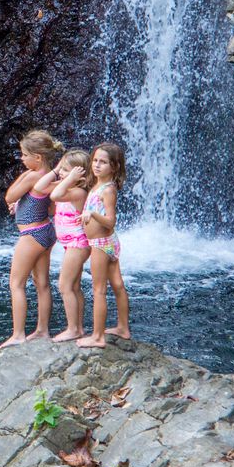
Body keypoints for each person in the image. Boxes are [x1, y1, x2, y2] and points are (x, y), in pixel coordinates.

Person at [0, 129, 64, 348]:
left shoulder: (34, 176)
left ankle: (18, 334)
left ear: (37, 158)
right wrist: (22, 206)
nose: (21, 158)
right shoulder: (48, 178)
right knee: (42, 283)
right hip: (46, 230)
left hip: (31, 234)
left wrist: (23, 182)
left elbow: (9, 195)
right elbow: (51, 206)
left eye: (24, 155)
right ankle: (42, 330)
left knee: (16, 283)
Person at [78, 142, 128, 349]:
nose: (97, 165)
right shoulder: (97, 186)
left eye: (103, 162)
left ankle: (98, 337)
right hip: (107, 242)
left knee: (99, 289)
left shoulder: (108, 190)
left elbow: (110, 221)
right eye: (95, 161)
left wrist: (93, 215)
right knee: (117, 285)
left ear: (114, 167)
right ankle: (123, 327)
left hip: (101, 244)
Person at [47, 149, 92, 343]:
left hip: (77, 243)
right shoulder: (70, 189)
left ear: (78, 174)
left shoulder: (78, 192)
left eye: (65, 170)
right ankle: (78, 328)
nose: (61, 174)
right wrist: (61, 173)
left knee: (64, 286)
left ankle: (73, 328)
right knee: (73, 286)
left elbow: (55, 195)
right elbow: (44, 187)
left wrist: (69, 178)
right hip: (72, 244)